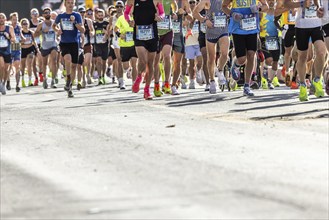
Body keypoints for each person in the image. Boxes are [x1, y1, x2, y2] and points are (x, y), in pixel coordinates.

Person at [222, 0, 269, 96]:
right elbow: (224, 6)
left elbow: (266, 6)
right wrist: (232, 13)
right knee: (242, 59)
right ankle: (236, 65)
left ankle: (247, 85)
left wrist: (258, 8)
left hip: (252, 29)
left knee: (252, 55)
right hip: (238, 29)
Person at [284, 0, 326, 101]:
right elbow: (286, 4)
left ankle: (317, 80)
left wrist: (320, 8)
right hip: (301, 26)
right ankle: (302, 85)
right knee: (303, 57)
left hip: (317, 25)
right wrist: (301, 4)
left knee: (321, 52)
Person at [124, 0, 165, 99]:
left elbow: (162, 12)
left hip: (152, 34)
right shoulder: (132, 1)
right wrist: (129, 20)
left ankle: (147, 90)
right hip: (139, 34)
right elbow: (126, 13)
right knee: (142, 60)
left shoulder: (156, 0)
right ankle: (139, 77)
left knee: (150, 63)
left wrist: (160, 17)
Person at [53, 0, 85, 98]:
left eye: (72, 3)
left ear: (74, 4)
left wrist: (75, 22)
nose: (70, 4)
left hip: (74, 43)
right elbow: (54, 25)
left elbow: (83, 30)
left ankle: (70, 87)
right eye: (68, 3)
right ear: (65, 4)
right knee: (68, 59)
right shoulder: (61, 16)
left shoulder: (77, 15)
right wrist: (57, 30)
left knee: (74, 66)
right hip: (64, 42)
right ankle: (67, 78)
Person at [34, 7, 59, 89]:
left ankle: (53, 80)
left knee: (54, 61)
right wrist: (42, 32)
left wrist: (57, 32)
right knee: (44, 64)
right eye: (45, 13)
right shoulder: (41, 24)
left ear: (50, 14)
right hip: (44, 46)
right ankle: (45, 80)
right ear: (43, 15)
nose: (47, 14)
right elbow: (35, 35)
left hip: (53, 44)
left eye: (48, 12)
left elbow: (58, 31)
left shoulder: (54, 23)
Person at [0, 13, 15, 95]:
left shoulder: (10, 28)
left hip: (7, 51)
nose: (1, 19)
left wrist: (8, 37)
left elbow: (13, 40)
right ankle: (0, 82)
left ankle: (3, 84)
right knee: (1, 66)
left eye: (3, 18)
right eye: (0, 18)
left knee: (6, 70)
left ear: (5, 19)